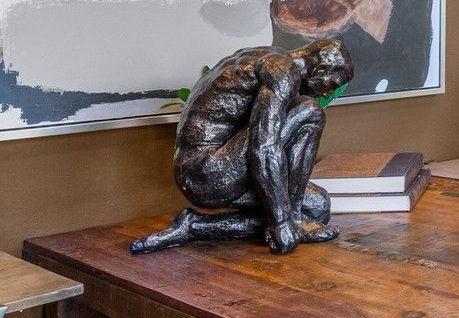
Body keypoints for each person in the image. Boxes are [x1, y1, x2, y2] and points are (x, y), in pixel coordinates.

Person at [132, 40, 353, 255]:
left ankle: (195, 226)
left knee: (318, 208)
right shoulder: (282, 71)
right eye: (332, 84)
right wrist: (282, 222)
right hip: (206, 172)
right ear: (320, 69)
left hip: (224, 163)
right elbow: (264, 148)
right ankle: (293, 219)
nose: (327, 93)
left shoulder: (270, 57)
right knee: (310, 110)